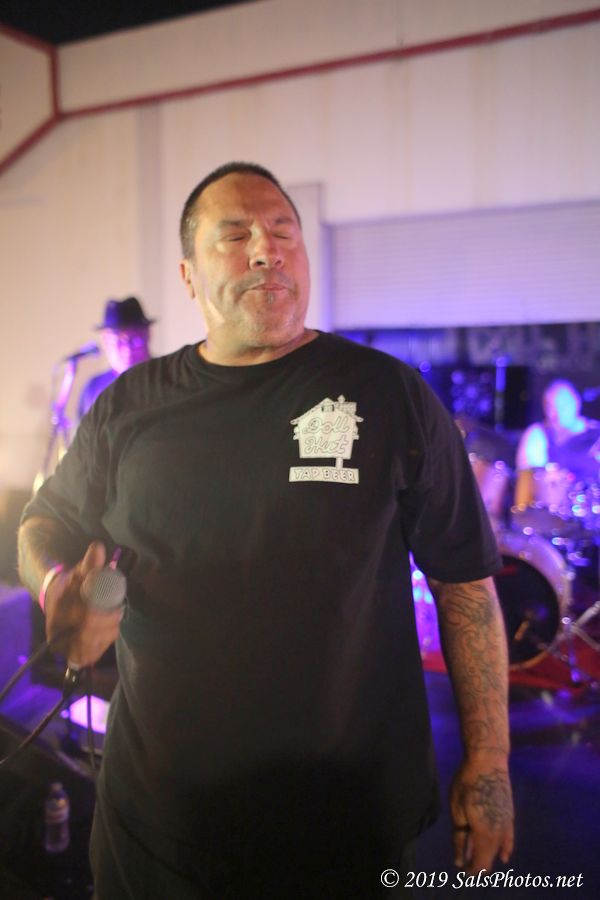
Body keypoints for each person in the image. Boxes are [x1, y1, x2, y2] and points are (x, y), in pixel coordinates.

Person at [18, 162, 513, 899]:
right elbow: (43, 522)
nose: (266, 250)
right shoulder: (128, 408)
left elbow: (465, 584)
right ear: (188, 277)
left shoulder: (388, 394)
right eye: (235, 235)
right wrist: (56, 584)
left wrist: (491, 761)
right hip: (156, 829)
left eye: (284, 232)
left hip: (344, 830)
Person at [514, 379, 598, 509]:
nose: (556, 413)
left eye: (562, 406)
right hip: (552, 513)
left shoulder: (596, 434)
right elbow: (527, 482)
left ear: (576, 403)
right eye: (550, 406)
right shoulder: (538, 434)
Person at [77, 296, 154, 419]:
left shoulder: (166, 378)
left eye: (136, 340)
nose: (127, 350)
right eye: (118, 342)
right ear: (104, 340)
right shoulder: (93, 388)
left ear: (148, 334)